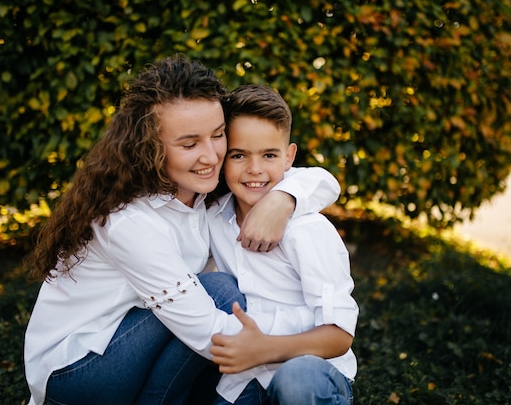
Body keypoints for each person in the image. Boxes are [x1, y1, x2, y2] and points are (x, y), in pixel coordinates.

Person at [23, 55, 341, 405]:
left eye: (218, 136)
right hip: (78, 373)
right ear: (151, 147)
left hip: (137, 346)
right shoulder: (131, 221)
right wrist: (307, 339)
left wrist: (282, 199)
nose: (210, 156)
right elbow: (204, 329)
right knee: (220, 293)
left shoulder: (202, 190)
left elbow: (320, 179)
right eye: (189, 144)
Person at [206, 84, 358, 405]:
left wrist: (264, 349)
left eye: (269, 155)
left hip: (310, 371)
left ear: (289, 156)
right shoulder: (214, 217)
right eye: (238, 155)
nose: (255, 169)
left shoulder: (307, 229)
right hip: (244, 377)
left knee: (297, 382)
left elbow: (339, 335)